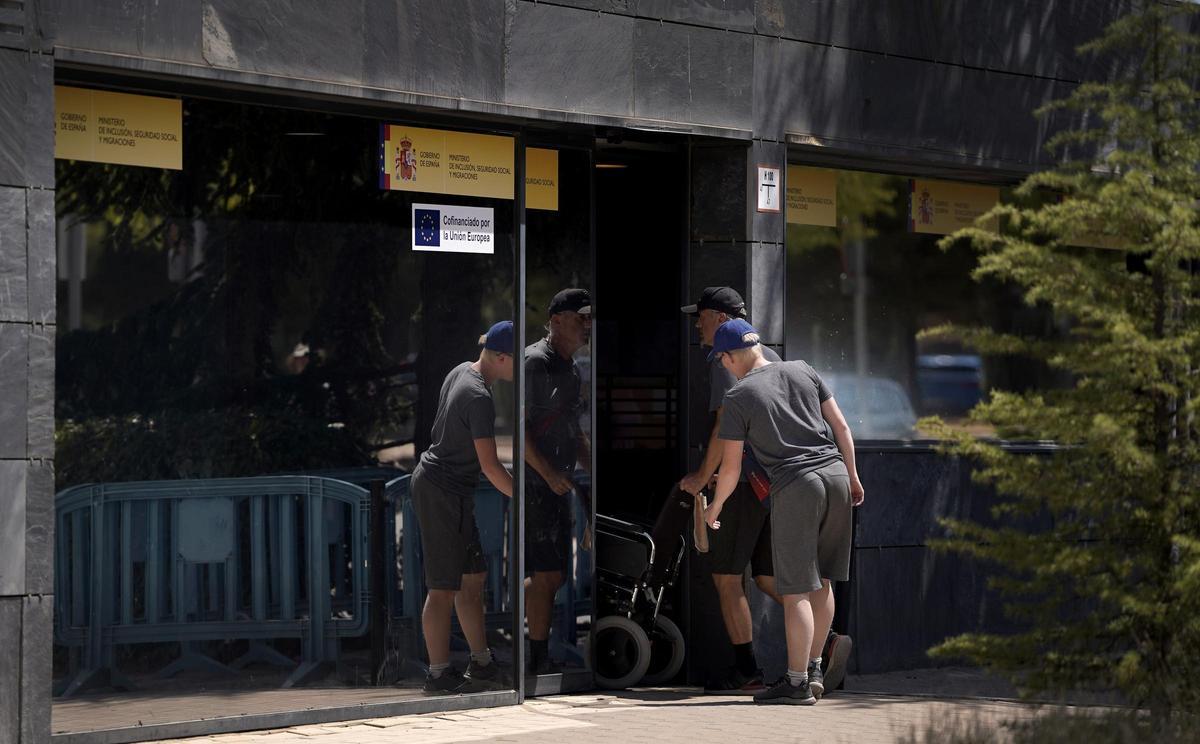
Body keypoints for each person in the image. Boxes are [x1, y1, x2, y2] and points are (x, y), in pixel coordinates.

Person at [679, 288, 853, 694]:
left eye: (701, 316)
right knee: (811, 581)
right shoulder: (795, 366)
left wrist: (710, 495)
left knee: (773, 586)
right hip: (830, 477)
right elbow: (841, 427)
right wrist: (855, 477)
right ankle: (814, 661)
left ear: (726, 335)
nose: (697, 325)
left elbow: (730, 452)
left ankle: (778, 677)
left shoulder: (737, 382)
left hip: (775, 485)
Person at [410, 320, 515, 694]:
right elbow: (490, 465)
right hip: (441, 491)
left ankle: (481, 663)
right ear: (502, 357)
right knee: (442, 587)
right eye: (516, 361)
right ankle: (438, 674)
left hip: (451, 490)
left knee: (472, 578)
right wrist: (523, 498)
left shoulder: (462, 371)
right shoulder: (480, 397)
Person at [523, 288, 592, 674]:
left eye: (589, 316)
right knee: (547, 574)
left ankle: (533, 648)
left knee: (556, 575)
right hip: (537, 486)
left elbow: (574, 429)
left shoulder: (572, 366)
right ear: (556, 321)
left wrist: (593, 469)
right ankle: (534, 659)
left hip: (561, 484)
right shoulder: (535, 362)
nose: (587, 324)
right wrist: (548, 475)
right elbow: (520, 429)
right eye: (580, 316)